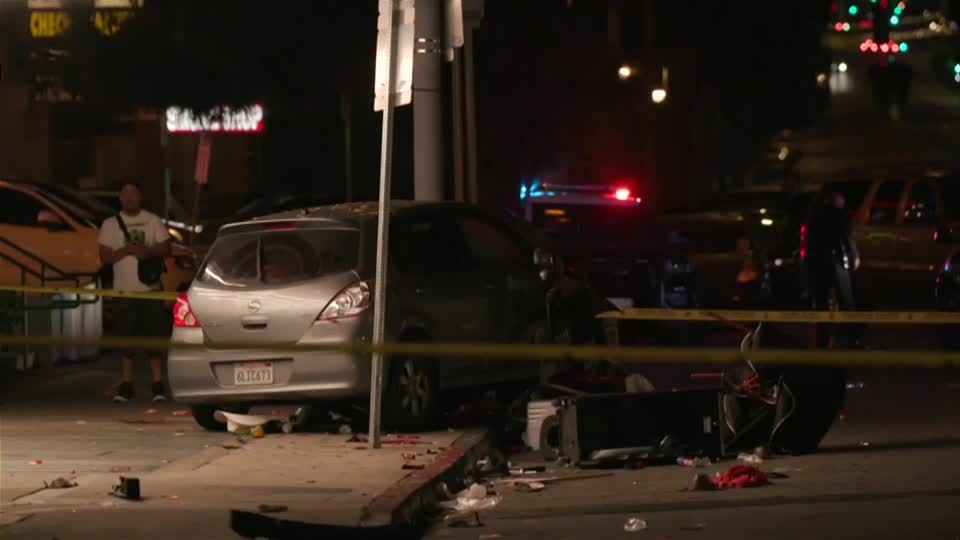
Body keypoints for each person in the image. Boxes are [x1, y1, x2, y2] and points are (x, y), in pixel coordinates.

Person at [98, 182, 172, 402]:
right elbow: (105, 256)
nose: (129, 198)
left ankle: (157, 385)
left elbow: (166, 248)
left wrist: (147, 251)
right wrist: (126, 250)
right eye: (125, 195)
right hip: (124, 293)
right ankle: (127, 385)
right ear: (120, 198)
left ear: (140, 197)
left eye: (133, 194)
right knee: (125, 340)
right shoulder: (110, 224)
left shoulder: (152, 220)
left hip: (150, 291)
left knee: (154, 339)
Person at [804, 190, 862, 348]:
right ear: (838, 202)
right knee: (846, 300)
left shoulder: (814, 217)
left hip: (817, 263)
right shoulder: (840, 216)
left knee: (821, 301)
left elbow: (808, 242)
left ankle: (823, 340)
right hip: (836, 262)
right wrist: (855, 256)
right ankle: (853, 339)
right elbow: (847, 237)